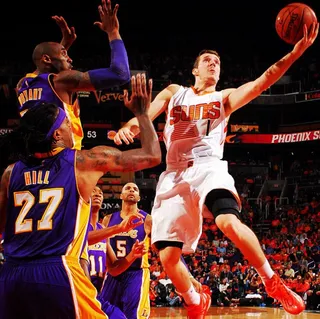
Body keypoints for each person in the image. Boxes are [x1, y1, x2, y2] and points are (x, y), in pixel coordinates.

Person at [113, 23, 319, 317]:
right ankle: (195, 299)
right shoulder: (175, 93)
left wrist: (294, 53)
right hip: (173, 174)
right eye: (208, 60)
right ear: (195, 70)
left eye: (218, 62)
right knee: (168, 256)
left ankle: (270, 280)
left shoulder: (224, 98)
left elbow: (263, 81)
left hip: (209, 168)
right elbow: (146, 113)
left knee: (227, 222)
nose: (214, 63)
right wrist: (129, 128)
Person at [0, 73, 161, 319]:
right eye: (67, 123)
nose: (73, 127)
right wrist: (142, 113)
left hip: (11, 277)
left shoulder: (10, 173)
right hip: (59, 272)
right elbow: (152, 156)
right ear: (56, 135)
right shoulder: (82, 162)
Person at [16, 0, 130, 150]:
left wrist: (63, 46)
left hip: (34, 159)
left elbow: (43, 71)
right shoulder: (61, 81)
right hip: (64, 160)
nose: (70, 58)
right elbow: (120, 74)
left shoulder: (22, 84)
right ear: (47, 59)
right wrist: (113, 32)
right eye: (64, 54)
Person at [99, 182, 152, 319]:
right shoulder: (108, 219)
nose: (131, 190)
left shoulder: (147, 219)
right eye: (127, 188)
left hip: (136, 273)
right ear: (121, 195)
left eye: (135, 189)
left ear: (139, 197)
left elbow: (160, 246)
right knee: (104, 313)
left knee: (132, 315)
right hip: (113, 272)